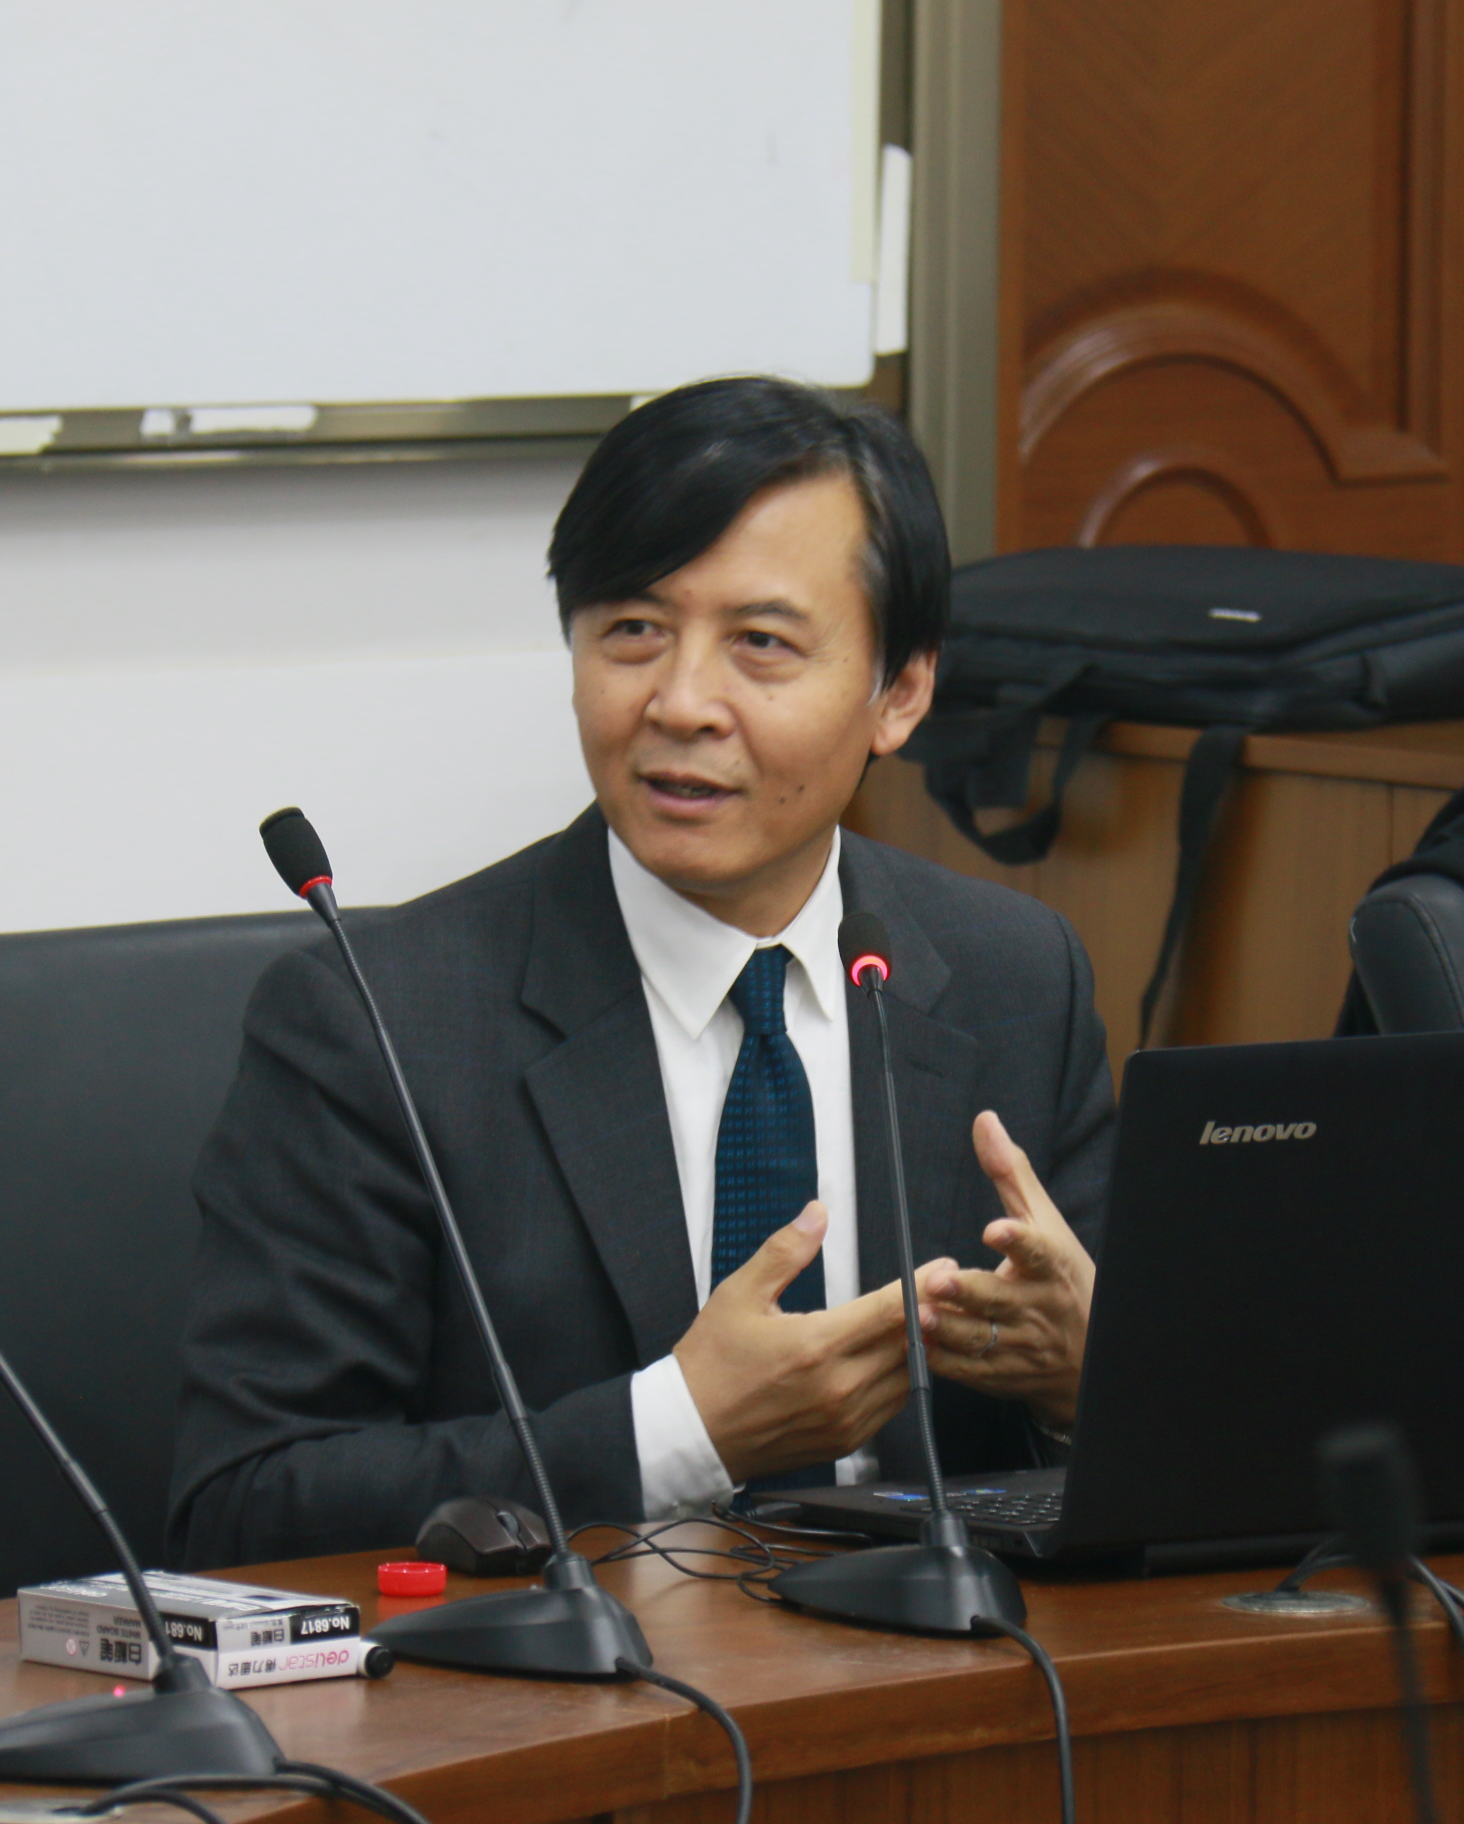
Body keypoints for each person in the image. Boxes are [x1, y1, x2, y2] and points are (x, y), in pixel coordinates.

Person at [168, 377, 1114, 1565]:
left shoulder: (1014, 979)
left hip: (940, 1660)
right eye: (632, 632)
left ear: (902, 693)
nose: (680, 704)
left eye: (761, 644)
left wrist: (1091, 1382)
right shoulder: (377, 1022)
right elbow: (245, 1503)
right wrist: (680, 1431)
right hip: (576, 1666)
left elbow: (1166, 1450)